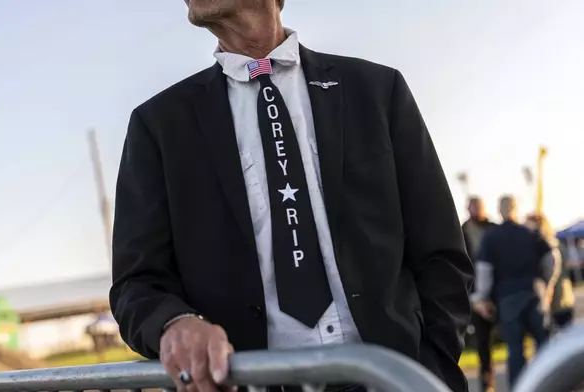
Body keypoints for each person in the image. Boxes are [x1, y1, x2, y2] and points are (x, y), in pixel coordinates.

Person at [110, 1, 473, 392]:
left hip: (391, 376)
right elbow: (136, 283)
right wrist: (175, 323)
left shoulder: (377, 90)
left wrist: (430, 368)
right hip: (252, 382)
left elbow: (441, 252)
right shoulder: (159, 125)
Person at [472, 196, 556, 389]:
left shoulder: (491, 237)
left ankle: (522, 386)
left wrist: (482, 298)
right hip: (535, 292)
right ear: (515, 209)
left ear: (500, 211)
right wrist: (546, 284)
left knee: (515, 348)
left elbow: (484, 270)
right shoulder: (531, 233)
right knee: (544, 342)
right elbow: (552, 258)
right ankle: (554, 383)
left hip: (507, 297)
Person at [462, 197, 497, 392]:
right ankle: (487, 384)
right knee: (483, 343)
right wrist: (473, 298)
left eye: (478, 206)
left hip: (498, 293)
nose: (475, 210)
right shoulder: (461, 231)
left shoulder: (494, 228)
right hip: (475, 297)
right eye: (471, 207)